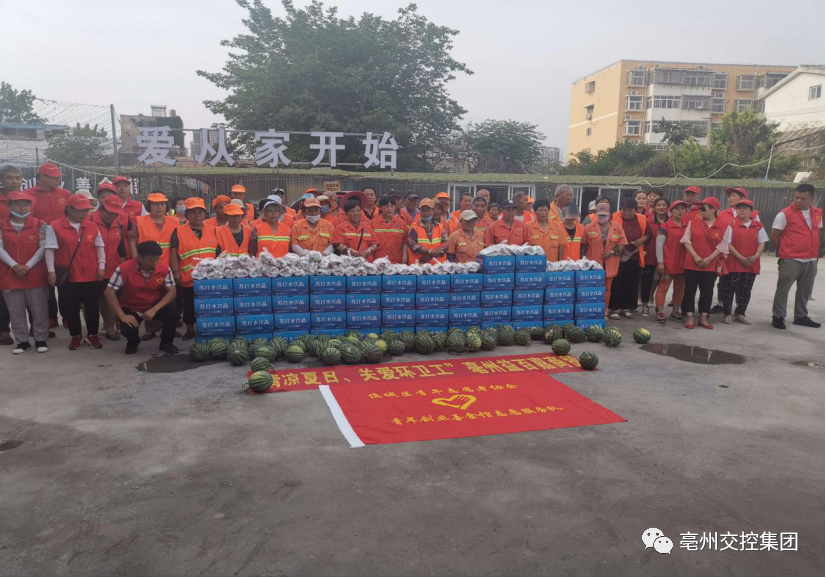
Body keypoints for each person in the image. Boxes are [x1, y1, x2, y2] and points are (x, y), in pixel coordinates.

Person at [45, 194, 107, 350]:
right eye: (80, 210)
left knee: (92, 307)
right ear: (69, 209)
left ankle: (92, 335)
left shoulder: (92, 226)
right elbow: (50, 250)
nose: (84, 213)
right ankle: (76, 336)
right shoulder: (55, 226)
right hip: (69, 276)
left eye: (86, 210)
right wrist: (51, 271)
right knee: (71, 308)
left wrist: (101, 266)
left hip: (91, 275)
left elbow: (99, 247)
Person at [104, 241, 178, 355]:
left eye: (157, 259)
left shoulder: (163, 268)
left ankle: (166, 343)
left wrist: (155, 309)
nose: (155, 263)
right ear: (139, 257)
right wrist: (122, 315)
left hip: (154, 305)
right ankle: (133, 342)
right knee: (128, 327)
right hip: (132, 307)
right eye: (150, 260)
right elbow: (109, 292)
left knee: (173, 312)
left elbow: (172, 291)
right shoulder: (123, 269)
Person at [0, 191, 49, 354]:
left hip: (35, 274)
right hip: (9, 274)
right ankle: (22, 341)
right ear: (10, 206)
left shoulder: (40, 224)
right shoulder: (1, 225)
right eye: (18, 205)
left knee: (39, 308)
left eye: (26, 205)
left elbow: (43, 247)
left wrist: (27, 266)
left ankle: (41, 339)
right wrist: (14, 265)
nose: (22, 208)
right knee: (15, 311)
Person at [770, 183, 823, 329]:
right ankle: (778, 316)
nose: (798, 201)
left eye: (803, 198)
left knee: (805, 290)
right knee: (783, 289)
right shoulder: (785, 214)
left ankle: (801, 316)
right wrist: (784, 251)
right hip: (791, 259)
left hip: (811, 259)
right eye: (796, 197)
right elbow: (774, 235)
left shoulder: (818, 212)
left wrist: (818, 250)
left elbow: (819, 231)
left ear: (812, 198)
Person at [168, 198, 217, 340]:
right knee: (189, 304)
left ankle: (207, 328)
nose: (197, 215)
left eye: (200, 212)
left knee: (209, 304)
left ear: (205, 214)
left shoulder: (213, 230)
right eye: (193, 212)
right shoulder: (179, 231)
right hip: (189, 275)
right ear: (187, 215)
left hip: (210, 276)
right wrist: (175, 271)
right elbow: (173, 252)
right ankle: (190, 329)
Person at [680, 197, 731, 330]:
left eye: (703, 208)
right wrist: (696, 256)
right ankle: (689, 316)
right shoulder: (693, 222)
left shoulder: (725, 225)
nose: (700, 211)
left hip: (711, 264)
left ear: (714, 209)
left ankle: (703, 317)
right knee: (689, 290)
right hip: (692, 262)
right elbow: (686, 240)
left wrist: (709, 259)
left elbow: (724, 245)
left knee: (707, 291)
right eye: (699, 208)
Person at [720, 199, 767, 325]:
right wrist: (740, 257)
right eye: (739, 208)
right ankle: (727, 313)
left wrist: (756, 256)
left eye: (745, 208)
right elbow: (727, 243)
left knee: (746, 288)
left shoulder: (758, 226)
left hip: (751, 263)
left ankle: (740, 313)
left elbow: (762, 242)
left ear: (751, 211)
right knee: (730, 288)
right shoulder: (730, 225)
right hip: (734, 262)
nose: (741, 210)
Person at [91, 194, 130, 341]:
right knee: (97, 298)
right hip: (93, 268)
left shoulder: (118, 224)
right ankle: (99, 327)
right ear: (102, 209)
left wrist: (122, 265)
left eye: (115, 213)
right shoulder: (90, 222)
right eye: (109, 212)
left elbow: (121, 246)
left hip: (113, 266)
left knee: (112, 297)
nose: (112, 215)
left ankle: (110, 327)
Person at [583, 198, 627, 314]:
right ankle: (591, 311)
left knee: (607, 289)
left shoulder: (617, 227)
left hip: (610, 264)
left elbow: (622, 244)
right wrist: (582, 261)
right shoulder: (588, 228)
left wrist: (612, 252)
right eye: (600, 215)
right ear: (595, 213)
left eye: (604, 215)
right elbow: (583, 245)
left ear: (609, 214)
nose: (602, 217)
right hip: (593, 265)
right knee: (592, 289)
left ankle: (604, 311)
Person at [609, 197, 649, 319]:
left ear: (635, 209)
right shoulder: (613, 216)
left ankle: (626, 308)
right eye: (624, 210)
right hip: (617, 255)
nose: (626, 212)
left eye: (630, 210)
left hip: (634, 255)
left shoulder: (642, 218)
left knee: (631, 282)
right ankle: (614, 308)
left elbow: (648, 234)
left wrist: (641, 240)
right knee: (617, 282)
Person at [0, 165, 25, 345]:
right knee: (3, 293)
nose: (15, 181)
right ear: (1, 180)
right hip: (3, 253)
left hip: (26, 252)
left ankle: (36, 328)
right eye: (10, 178)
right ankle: (3, 330)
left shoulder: (27, 199)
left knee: (31, 292)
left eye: (17, 178)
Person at [655, 200, 689, 324]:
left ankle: (675, 311)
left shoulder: (688, 226)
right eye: (676, 209)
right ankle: (660, 311)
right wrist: (660, 262)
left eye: (682, 209)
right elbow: (659, 246)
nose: (679, 211)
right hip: (668, 264)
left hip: (683, 264)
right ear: (671, 211)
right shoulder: (665, 226)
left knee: (680, 289)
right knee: (663, 288)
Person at [640, 197, 670, 316]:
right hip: (650, 257)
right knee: (646, 282)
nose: (661, 207)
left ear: (668, 207)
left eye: (664, 205)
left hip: (667, 258)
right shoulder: (648, 221)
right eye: (659, 205)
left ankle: (659, 306)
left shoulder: (671, 222)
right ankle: (645, 305)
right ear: (654, 207)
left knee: (661, 282)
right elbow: (645, 236)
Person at [130, 192, 177, 265]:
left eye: (162, 204)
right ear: (149, 206)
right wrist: (137, 262)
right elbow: (132, 243)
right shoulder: (139, 222)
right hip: (146, 265)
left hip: (169, 266)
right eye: (155, 204)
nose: (159, 207)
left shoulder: (175, 222)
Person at [407, 198, 447, 264]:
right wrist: (430, 252)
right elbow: (412, 245)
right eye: (423, 210)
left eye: (428, 210)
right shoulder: (413, 227)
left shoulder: (440, 227)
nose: (425, 213)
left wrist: (430, 255)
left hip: (438, 266)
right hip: (419, 267)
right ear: (419, 211)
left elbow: (445, 244)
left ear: (433, 210)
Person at [371, 195, 408, 264]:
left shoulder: (402, 224)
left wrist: (404, 258)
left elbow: (405, 242)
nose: (389, 209)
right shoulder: (372, 224)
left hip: (396, 262)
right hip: (377, 262)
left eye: (392, 206)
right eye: (386, 206)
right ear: (380, 208)